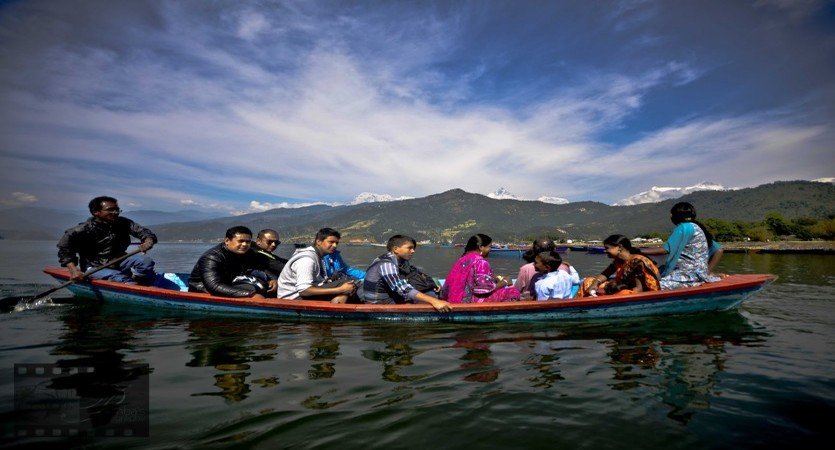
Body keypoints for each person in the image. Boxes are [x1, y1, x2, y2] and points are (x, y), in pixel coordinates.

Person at [57, 196, 157, 284]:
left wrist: (148, 241)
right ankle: (127, 284)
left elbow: (144, 232)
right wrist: (74, 270)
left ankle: (140, 281)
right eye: (110, 210)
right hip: (94, 267)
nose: (115, 213)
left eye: (117, 210)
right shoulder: (81, 230)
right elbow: (64, 249)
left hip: (120, 260)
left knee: (145, 261)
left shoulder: (124, 223)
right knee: (117, 276)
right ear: (95, 212)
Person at [641, 202, 723, 289]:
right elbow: (718, 249)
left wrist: (638, 251)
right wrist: (706, 271)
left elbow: (666, 249)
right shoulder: (696, 227)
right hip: (698, 275)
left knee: (649, 285)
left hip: (687, 277)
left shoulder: (683, 227)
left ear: (677, 215)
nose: (670, 217)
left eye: (672, 214)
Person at [362, 235, 452, 312]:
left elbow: (414, 275)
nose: (413, 251)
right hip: (379, 302)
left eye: (413, 248)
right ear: (396, 249)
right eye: (409, 248)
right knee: (433, 298)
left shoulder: (400, 261)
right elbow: (402, 288)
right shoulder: (386, 264)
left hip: (390, 296)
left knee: (432, 292)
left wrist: (433, 284)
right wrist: (434, 301)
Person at [188, 226, 273, 299]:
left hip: (229, 283)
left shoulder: (247, 252)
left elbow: (261, 267)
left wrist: (272, 279)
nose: (244, 244)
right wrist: (250, 295)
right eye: (240, 241)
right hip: (203, 291)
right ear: (227, 241)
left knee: (265, 287)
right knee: (254, 290)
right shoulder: (212, 258)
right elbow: (214, 286)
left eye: (248, 242)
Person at [276, 228, 358, 303]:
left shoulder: (319, 256)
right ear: (318, 242)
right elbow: (304, 291)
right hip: (292, 298)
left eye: (336, 243)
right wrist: (340, 289)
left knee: (350, 282)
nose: (335, 246)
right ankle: (335, 312)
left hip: (302, 294)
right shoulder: (307, 260)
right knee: (344, 285)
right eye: (331, 242)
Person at [440, 234, 521, 303]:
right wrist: (504, 282)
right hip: (470, 301)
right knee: (513, 291)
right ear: (481, 247)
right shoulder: (480, 262)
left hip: (453, 298)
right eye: (489, 247)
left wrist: (493, 278)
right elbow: (484, 290)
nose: (490, 250)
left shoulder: (462, 259)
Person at [577, 235, 660, 297]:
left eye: (607, 248)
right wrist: (595, 284)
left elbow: (639, 289)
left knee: (624, 293)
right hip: (622, 288)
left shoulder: (637, 262)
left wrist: (616, 289)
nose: (605, 251)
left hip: (641, 293)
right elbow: (605, 274)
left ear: (619, 247)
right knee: (588, 281)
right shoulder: (618, 261)